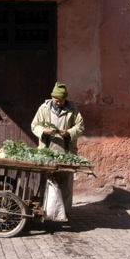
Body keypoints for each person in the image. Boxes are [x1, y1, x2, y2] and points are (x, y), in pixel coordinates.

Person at [31, 82, 84, 216]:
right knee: (46, 180)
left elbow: (80, 127)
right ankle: (46, 211)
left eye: (61, 100)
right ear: (52, 97)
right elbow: (34, 125)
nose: (59, 103)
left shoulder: (73, 109)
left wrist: (69, 133)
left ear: (65, 99)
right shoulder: (43, 109)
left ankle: (64, 213)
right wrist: (44, 131)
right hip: (47, 152)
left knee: (65, 183)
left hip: (66, 152)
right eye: (56, 100)